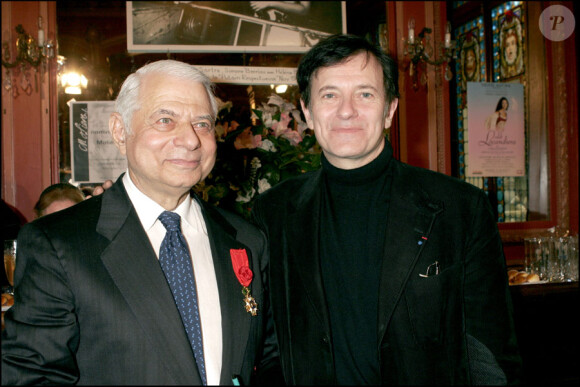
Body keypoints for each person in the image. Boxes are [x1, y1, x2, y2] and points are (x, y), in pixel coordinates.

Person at [251, 34, 522, 385]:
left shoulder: (460, 209)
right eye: (329, 95)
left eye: (365, 94)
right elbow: (268, 347)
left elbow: (489, 353)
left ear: (390, 110)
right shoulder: (273, 212)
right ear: (308, 112)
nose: (346, 110)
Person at [2, 60, 273, 385]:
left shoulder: (246, 240)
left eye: (202, 123)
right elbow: (33, 377)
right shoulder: (58, 244)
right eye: (165, 120)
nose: (190, 140)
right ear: (120, 131)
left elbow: (269, 358)